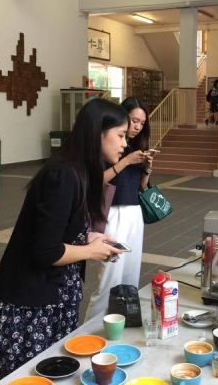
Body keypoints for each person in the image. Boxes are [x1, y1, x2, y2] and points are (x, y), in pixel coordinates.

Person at [0, 98, 127, 383]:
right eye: (121, 135)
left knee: (53, 371)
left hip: (54, 295)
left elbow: (60, 229)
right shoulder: (63, 174)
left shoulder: (81, 172)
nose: (124, 144)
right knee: (25, 376)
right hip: (30, 302)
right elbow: (46, 251)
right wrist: (91, 251)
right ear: (99, 132)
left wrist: (90, 237)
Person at [85, 97, 154, 320]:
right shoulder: (109, 145)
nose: (137, 126)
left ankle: (122, 323)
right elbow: (97, 180)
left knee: (130, 273)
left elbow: (141, 187)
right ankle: (90, 328)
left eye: (142, 123)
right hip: (112, 213)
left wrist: (146, 169)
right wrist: (125, 161)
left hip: (134, 213)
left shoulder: (136, 147)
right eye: (134, 120)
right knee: (109, 277)